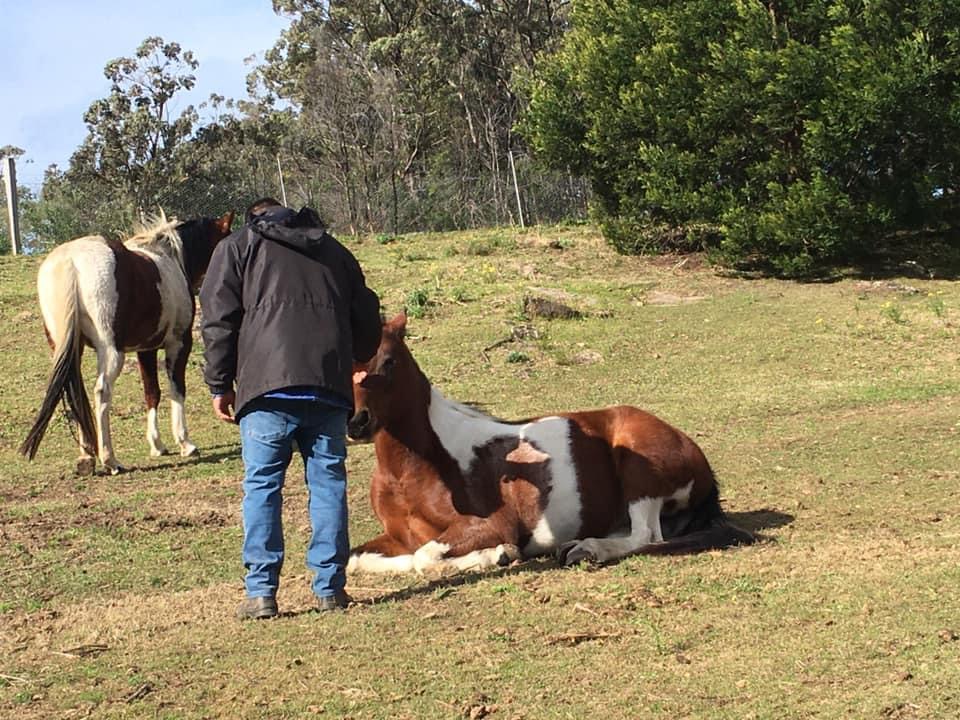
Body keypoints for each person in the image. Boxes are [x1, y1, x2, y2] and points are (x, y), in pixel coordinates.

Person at [200, 198, 382, 620]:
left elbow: (218, 320)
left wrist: (218, 384)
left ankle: (262, 593)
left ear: (253, 218)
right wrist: (358, 355)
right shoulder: (334, 250)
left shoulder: (237, 247)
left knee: (262, 486)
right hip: (327, 388)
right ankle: (330, 589)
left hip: (265, 390)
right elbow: (367, 313)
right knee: (328, 485)